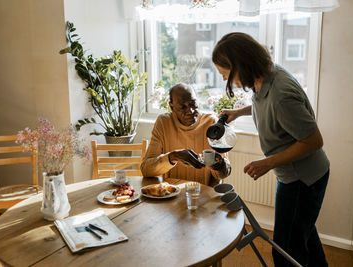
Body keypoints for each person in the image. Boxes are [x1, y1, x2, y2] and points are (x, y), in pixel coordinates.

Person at [213, 32, 330, 267]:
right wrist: (238, 112)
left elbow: (314, 141)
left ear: (240, 65)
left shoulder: (281, 94)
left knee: (286, 251)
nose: (229, 81)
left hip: (303, 179)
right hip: (292, 176)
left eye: (226, 74)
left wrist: (268, 163)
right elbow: (261, 104)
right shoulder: (264, 77)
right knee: (304, 235)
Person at [140, 83, 231, 186]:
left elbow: (225, 172)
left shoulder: (211, 122)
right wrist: (173, 157)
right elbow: (146, 169)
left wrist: (220, 165)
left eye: (193, 104)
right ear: (172, 107)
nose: (190, 111)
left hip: (204, 195)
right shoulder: (163, 122)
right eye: (182, 107)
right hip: (172, 195)